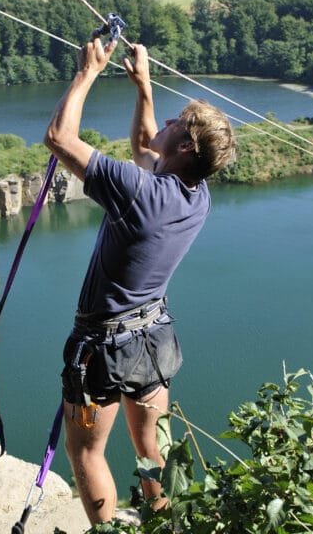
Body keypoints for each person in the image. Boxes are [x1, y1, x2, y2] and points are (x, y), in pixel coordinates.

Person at [43, 35, 236, 525]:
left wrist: (88, 72)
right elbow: (149, 146)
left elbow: (59, 139)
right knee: (151, 448)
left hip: (102, 351)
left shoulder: (138, 191)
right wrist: (143, 87)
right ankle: (165, 524)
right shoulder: (196, 194)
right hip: (153, 339)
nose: (166, 123)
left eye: (176, 122)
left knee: (85, 451)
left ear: (187, 145)